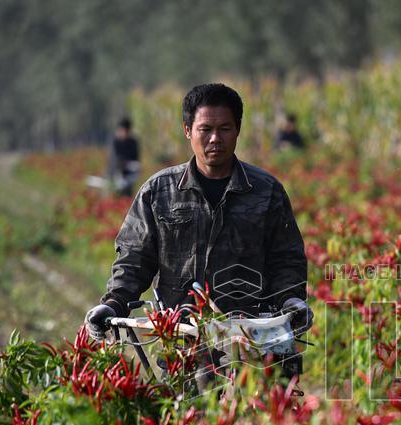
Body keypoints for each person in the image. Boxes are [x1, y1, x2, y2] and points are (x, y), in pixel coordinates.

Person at [84, 83, 312, 374]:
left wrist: (290, 300)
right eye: (205, 129)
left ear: (238, 129)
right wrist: (114, 303)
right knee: (186, 413)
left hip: (253, 336)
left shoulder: (266, 191)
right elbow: (134, 257)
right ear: (188, 130)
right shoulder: (159, 192)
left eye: (225, 128)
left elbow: (287, 258)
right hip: (183, 336)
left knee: (269, 410)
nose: (215, 138)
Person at [107, 117, 141, 197]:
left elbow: (136, 158)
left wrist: (129, 165)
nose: (124, 133)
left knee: (127, 195)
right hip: (116, 173)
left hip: (129, 175)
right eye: (122, 130)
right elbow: (114, 159)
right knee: (115, 195)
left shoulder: (133, 142)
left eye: (126, 131)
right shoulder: (115, 142)